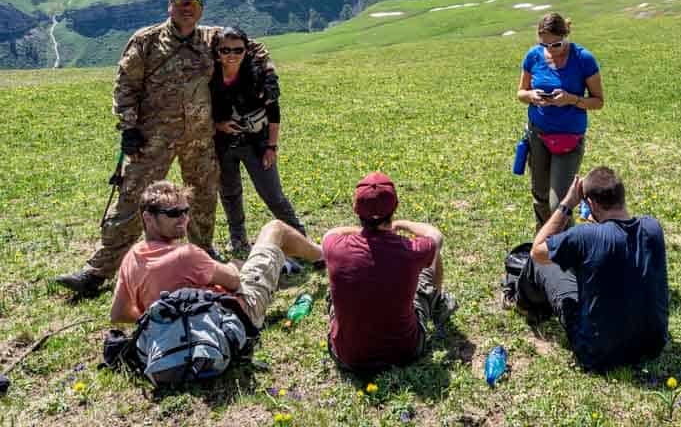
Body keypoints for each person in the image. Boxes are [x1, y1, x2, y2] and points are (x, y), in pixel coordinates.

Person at [57, 0, 276, 296]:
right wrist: (128, 126)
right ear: (170, 7)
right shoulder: (146, 41)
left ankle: (203, 256)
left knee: (202, 197)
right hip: (153, 138)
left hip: (199, 137)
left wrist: (267, 77)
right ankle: (97, 272)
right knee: (133, 200)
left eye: (193, 4)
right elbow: (125, 85)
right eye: (181, 3)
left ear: (200, 9)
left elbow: (253, 48)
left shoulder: (212, 38)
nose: (187, 8)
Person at [512, 166, 669, 373]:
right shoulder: (653, 227)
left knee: (538, 263)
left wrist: (567, 204)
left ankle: (524, 303)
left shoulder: (586, 236)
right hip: (652, 345)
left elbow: (537, 251)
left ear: (592, 204)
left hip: (598, 354)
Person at [109, 180, 321, 328]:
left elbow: (118, 314)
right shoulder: (187, 255)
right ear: (148, 218)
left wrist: (161, 321)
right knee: (275, 229)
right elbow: (235, 281)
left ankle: (282, 266)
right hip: (237, 318)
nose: (183, 218)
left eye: (186, 211)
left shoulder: (132, 257)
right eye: (174, 213)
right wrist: (234, 267)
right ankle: (325, 255)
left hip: (183, 333)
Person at [322, 171, 457, 373]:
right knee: (434, 257)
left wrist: (359, 232)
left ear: (355, 209)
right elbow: (436, 236)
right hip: (405, 352)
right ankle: (436, 303)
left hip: (348, 356)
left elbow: (330, 233)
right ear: (396, 206)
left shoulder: (334, 246)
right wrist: (402, 224)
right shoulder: (413, 249)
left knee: (335, 284)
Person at [212, 26, 305, 255]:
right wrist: (219, 125)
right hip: (222, 145)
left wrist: (271, 147)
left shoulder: (258, 76)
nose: (231, 55)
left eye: (237, 50)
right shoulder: (208, 76)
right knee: (230, 193)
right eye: (225, 50)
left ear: (246, 51)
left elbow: (273, 112)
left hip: (256, 143)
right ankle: (238, 239)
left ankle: (300, 239)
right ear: (217, 52)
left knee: (273, 195)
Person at [516, 12, 604, 229]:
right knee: (540, 196)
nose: (551, 49)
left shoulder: (584, 59)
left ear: (566, 36)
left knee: (559, 204)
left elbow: (598, 101)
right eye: (545, 45)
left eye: (556, 44)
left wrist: (571, 99)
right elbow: (520, 93)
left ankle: (568, 247)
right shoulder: (533, 56)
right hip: (538, 135)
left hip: (569, 139)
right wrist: (532, 97)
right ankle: (543, 244)